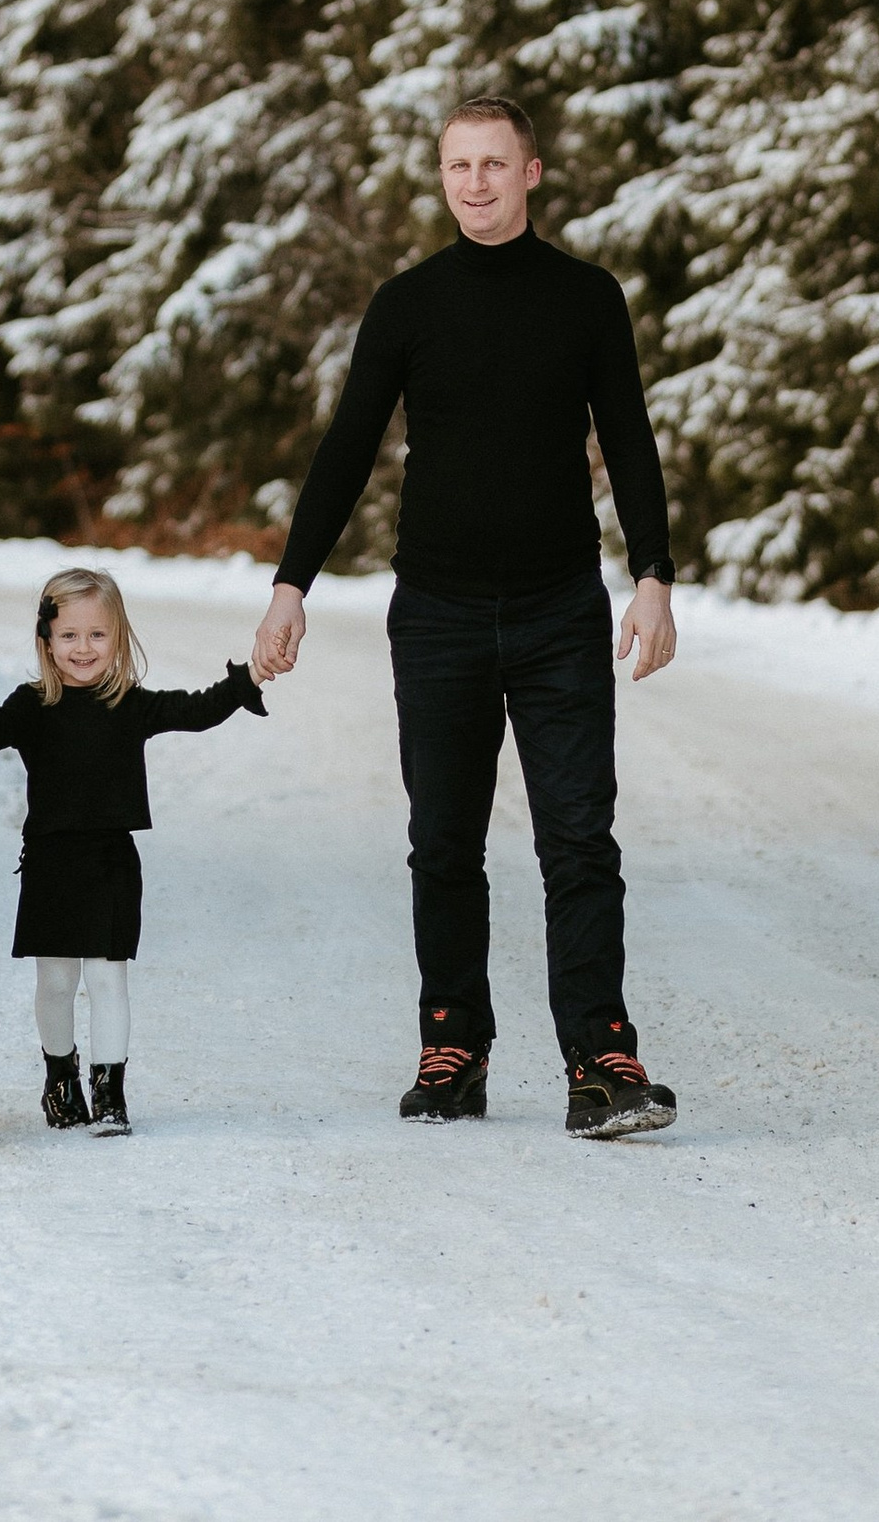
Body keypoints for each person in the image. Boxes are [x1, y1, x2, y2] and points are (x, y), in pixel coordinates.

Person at [251, 97, 681, 1138]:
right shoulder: (408, 303)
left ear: (530, 172)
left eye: (493, 163)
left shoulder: (585, 296)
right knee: (442, 841)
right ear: (441, 176)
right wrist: (291, 582)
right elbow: (348, 445)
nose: (475, 182)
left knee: (578, 839)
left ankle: (601, 1058)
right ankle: (452, 1047)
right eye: (458, 165)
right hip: (437, 613)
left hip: (557, 610)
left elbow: (628, 435)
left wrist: (654, 575)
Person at [0, 564, 266, 1136]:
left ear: (118, 637)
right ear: (46, 638)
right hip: (50, 863)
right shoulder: (32, 704)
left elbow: (195, 709)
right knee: (57, 982)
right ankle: (60, 1078)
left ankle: (110, 1091)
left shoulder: (129, 703)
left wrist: (250, 678)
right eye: (69, 634)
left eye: (97, 634)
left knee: (108, 978)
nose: (83, 648)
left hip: (111, 861)